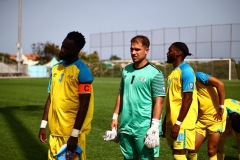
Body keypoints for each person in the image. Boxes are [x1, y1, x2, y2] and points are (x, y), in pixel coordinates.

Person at [38, 31, 94, 160]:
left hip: (71, 134)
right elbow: (50, 98)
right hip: (54, 132)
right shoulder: (55, 68)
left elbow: (84, 105)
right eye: (62, 46)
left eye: (67, 48)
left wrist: (74, 134)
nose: (62, 50)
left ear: (77, 50)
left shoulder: (83, 71)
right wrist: (43, 125)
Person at [108, 35, 166, 160]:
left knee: (146, 158)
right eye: (131, 49)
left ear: (147, 50)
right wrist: (115, 117)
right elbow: (121, 94)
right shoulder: (126, 70)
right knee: (128, 158)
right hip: (126, 125)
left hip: (144, 127)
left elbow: (159, 102)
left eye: (137, 49)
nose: (133, 53)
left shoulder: (155, 73)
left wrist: (154, 127)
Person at [164, 42, 198, 160]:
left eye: (170, 50)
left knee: (179, 153)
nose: (167, 53)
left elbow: (188, 99)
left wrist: (178, 123)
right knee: (176, 151)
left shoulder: (186, 71)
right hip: (173, 120)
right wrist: (166, 120)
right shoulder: (173, 72)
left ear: (178, 53)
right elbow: (172, 99)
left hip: (182, 122)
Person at [188, 72, 227, 160]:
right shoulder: (186, 83)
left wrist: (221, 108)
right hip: (202, 119)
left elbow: (220, 84)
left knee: (211, 150)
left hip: (216, 118)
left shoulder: (198, 76)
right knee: (192, 149)